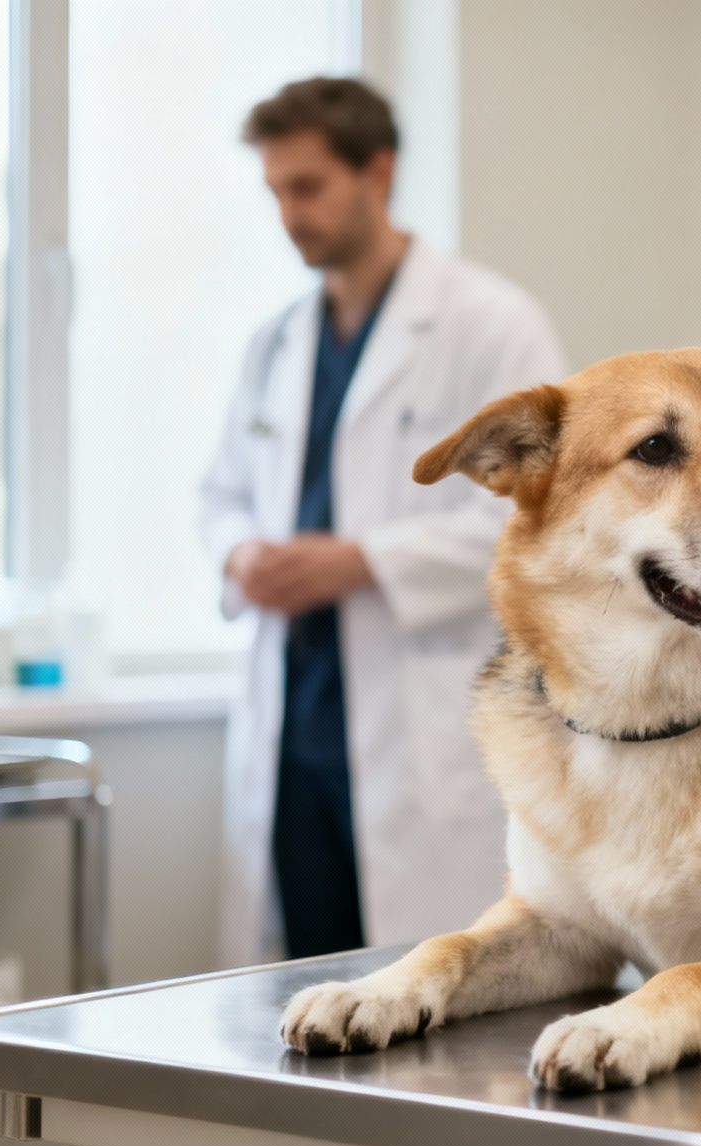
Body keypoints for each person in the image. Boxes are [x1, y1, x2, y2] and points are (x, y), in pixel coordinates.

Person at [198, 77, 568, 964]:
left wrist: (363, 561)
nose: (290, 214)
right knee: (302, 983)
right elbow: (218, 495)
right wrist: (241, 553)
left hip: (423, 723)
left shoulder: (491, 323)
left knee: (427, 992)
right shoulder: (276, 343)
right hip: (293, 723)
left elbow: (548, 518)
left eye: (309, 187)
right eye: (276, 191)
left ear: (379, 173)